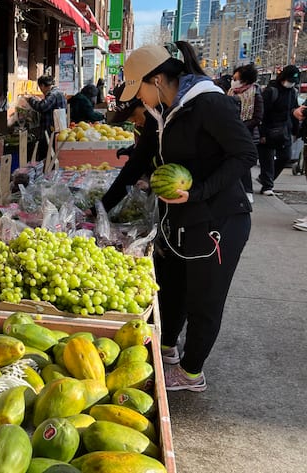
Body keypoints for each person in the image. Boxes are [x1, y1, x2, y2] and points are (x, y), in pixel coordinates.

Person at [120, 41, 256, 392]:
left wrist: (197, 193)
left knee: (204, 299)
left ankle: (192, 373)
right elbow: (144, 158)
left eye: (140, 91)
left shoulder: (209, 103)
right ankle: (168, 349)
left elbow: (244, 155)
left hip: (219, 220)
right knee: (174, 285)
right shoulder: (165, 112)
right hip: (183, 218)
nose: (140, 100)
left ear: (158, 79)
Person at [99, 82, 158, 213]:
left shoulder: (159, 123)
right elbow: (141, 158)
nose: (131, 121)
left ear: (144, 102)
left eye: (132, 115)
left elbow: (136, 166)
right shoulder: (145, 126)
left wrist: (102, 207)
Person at [257, 65, 301, 196]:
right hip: (268, 130)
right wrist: (262, 133)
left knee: (285, 156)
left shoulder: (293, 93)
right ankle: (267, 185)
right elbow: (262, 114)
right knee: (267, 159)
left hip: (284, 131)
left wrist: (295, 130)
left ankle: (267, 179)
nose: (290, 84)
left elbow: (293, 112)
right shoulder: (271, 92)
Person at [228, 63, 264, 203]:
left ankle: (247, 191)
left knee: (244, 164)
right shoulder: (230, 92)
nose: (233, 80)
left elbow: (257, 118)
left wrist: (240, 126)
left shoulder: (255, 94)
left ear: (245, 80)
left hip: (246, 135)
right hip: (230, 133)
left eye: (236, 78)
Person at [27, 75, 67, 161]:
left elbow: (42, 107)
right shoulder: (60, 92)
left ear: (42, 85)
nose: (41, 91)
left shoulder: (53, 94)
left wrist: (30, 99)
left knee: (46, 157)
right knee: (53, 157)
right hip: (58, 130)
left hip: (49, 132)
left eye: (40, 88)